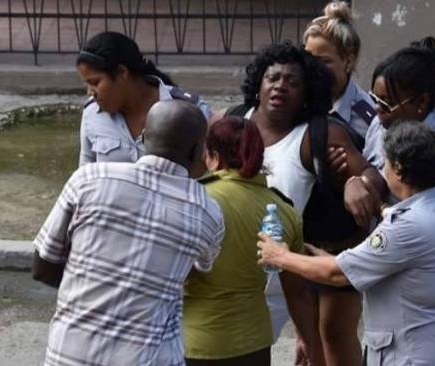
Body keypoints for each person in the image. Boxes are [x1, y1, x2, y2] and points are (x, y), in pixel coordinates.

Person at [257, 122, 435, 366]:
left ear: (397, 168)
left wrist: (280, 256)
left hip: (419, 355)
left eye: (384, 162)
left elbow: (337, 274)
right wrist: (321, 256)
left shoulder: (405, 227)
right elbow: (366, 261)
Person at [222, 41, 386, 366]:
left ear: (307, 92)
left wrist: (358, 182)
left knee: (323, 347)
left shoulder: (319, 134)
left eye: (293, 82)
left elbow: (373, 174)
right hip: (243, 263)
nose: (281, 86)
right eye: (273, 78)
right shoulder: (236, 121)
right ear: (259, 84)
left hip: (302, 260)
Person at [31, 100, 225, 366]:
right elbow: (198, 269)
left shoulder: (88, 179)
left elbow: (42, 267)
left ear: (144, 137)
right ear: (196, 151)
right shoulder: (208, 212)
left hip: (70, 355)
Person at [355, 37, 435, 314]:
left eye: (387, 102)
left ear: (420, 103)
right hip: (400, 269)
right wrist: (357, 181)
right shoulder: (384, 124)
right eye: (374, 99)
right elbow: (372, 168)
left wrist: (380, 208)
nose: (377, 109)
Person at [183, 116, 321, 366]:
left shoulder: (194, 200)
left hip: (194, 342)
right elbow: (297, 292)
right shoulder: (283, 210)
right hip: (253, 344)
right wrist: (306, 338)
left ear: (213, 156)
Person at [77, 31, 210, 166]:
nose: (90, 92)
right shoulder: (92, 114)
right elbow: (85, 175)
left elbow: (210, 172)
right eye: (86, 84)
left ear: (122, 72)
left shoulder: (191, 112)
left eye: (95, 83)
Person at [304, 1, 376, 150]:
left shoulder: (368, 119)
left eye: (324, 61)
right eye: (309, 59)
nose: (314, 67)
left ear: (348, 61)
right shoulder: (298, 101)